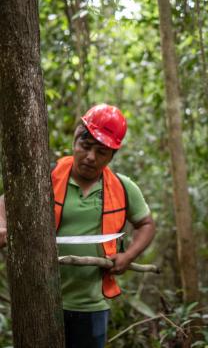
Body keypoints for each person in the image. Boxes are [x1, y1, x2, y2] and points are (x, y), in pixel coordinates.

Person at [0, 103, 156, 348]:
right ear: (75, 141)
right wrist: (2, 227)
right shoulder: (45, 177)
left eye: (101, 152)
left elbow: (146, 223)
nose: (91, 157)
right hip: (40, 301)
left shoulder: (122, 187)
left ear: (112, 155)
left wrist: (129, 255)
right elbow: (5, 204)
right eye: (85, 146)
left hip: (91, 306)